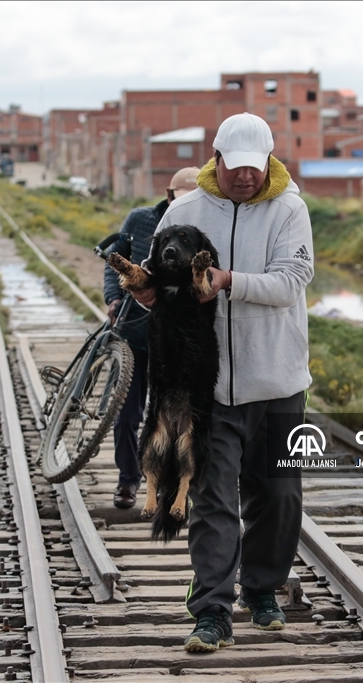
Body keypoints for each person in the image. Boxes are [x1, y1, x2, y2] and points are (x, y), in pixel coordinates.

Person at [133, 112, 314, 652]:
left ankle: (261, 589)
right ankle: (211, 609)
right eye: (235, 168)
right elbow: (160, 278)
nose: (244, 178)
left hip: (278, 379)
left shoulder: (289, 209)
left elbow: (292, 280)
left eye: (254, 170)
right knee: (211, 496)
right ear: (217, 160)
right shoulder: (184, 209)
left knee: (278, 494)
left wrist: (230, 282)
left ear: (268, 163)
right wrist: (148, 294)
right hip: (207, 387)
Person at [104, 166, 200, 509]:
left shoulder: (201, 229)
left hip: (174, 343)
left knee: (170, 420)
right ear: (168, 194)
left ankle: (165, 487)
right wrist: (114, 297)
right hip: (134, 332)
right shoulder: (141, 219)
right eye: (180, 197)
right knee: (127, 414)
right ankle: (128, 481)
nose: (186, 204)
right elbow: (115, 261)